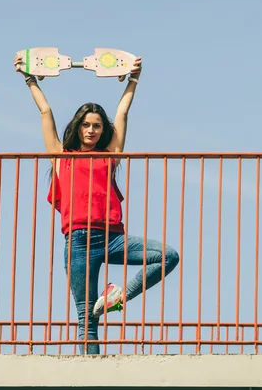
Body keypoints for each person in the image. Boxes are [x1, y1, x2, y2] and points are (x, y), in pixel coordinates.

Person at [14, 54, 179, 354]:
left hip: (111, 238)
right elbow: (45, 111)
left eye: (98, 126)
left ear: (104, 131)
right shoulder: (62, 155)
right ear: (78, 127)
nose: (92, 130)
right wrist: (30, 79)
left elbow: (123, 115)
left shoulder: (109, 156)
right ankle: (91, 377)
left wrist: (133, 80)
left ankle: (117, 298)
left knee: (168, 256)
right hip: (77, 241)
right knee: (86, 319)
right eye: (87, 125)